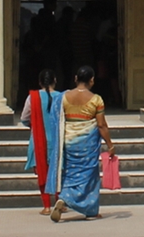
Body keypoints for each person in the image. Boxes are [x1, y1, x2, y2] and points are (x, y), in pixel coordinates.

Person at [49, 65, 115, 222]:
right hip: (88, 145)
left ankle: (63, 198)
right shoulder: (96, 99)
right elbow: (101, 125)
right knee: (89, 176)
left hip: (69, 141)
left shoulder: (62, 98)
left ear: (75, 79)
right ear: (92, 80)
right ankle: (90, 211)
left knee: (71, 174)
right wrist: (110, 145)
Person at [20, 68, 62, 214]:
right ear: (55, 81)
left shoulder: (33, 97)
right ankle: (59, 203)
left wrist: (35, 125)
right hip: (58, 141)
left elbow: (24, 119)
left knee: (42, 173)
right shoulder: (62, 97)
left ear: (39, 82)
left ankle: (46, 206)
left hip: (38, 140)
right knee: (58, 172)